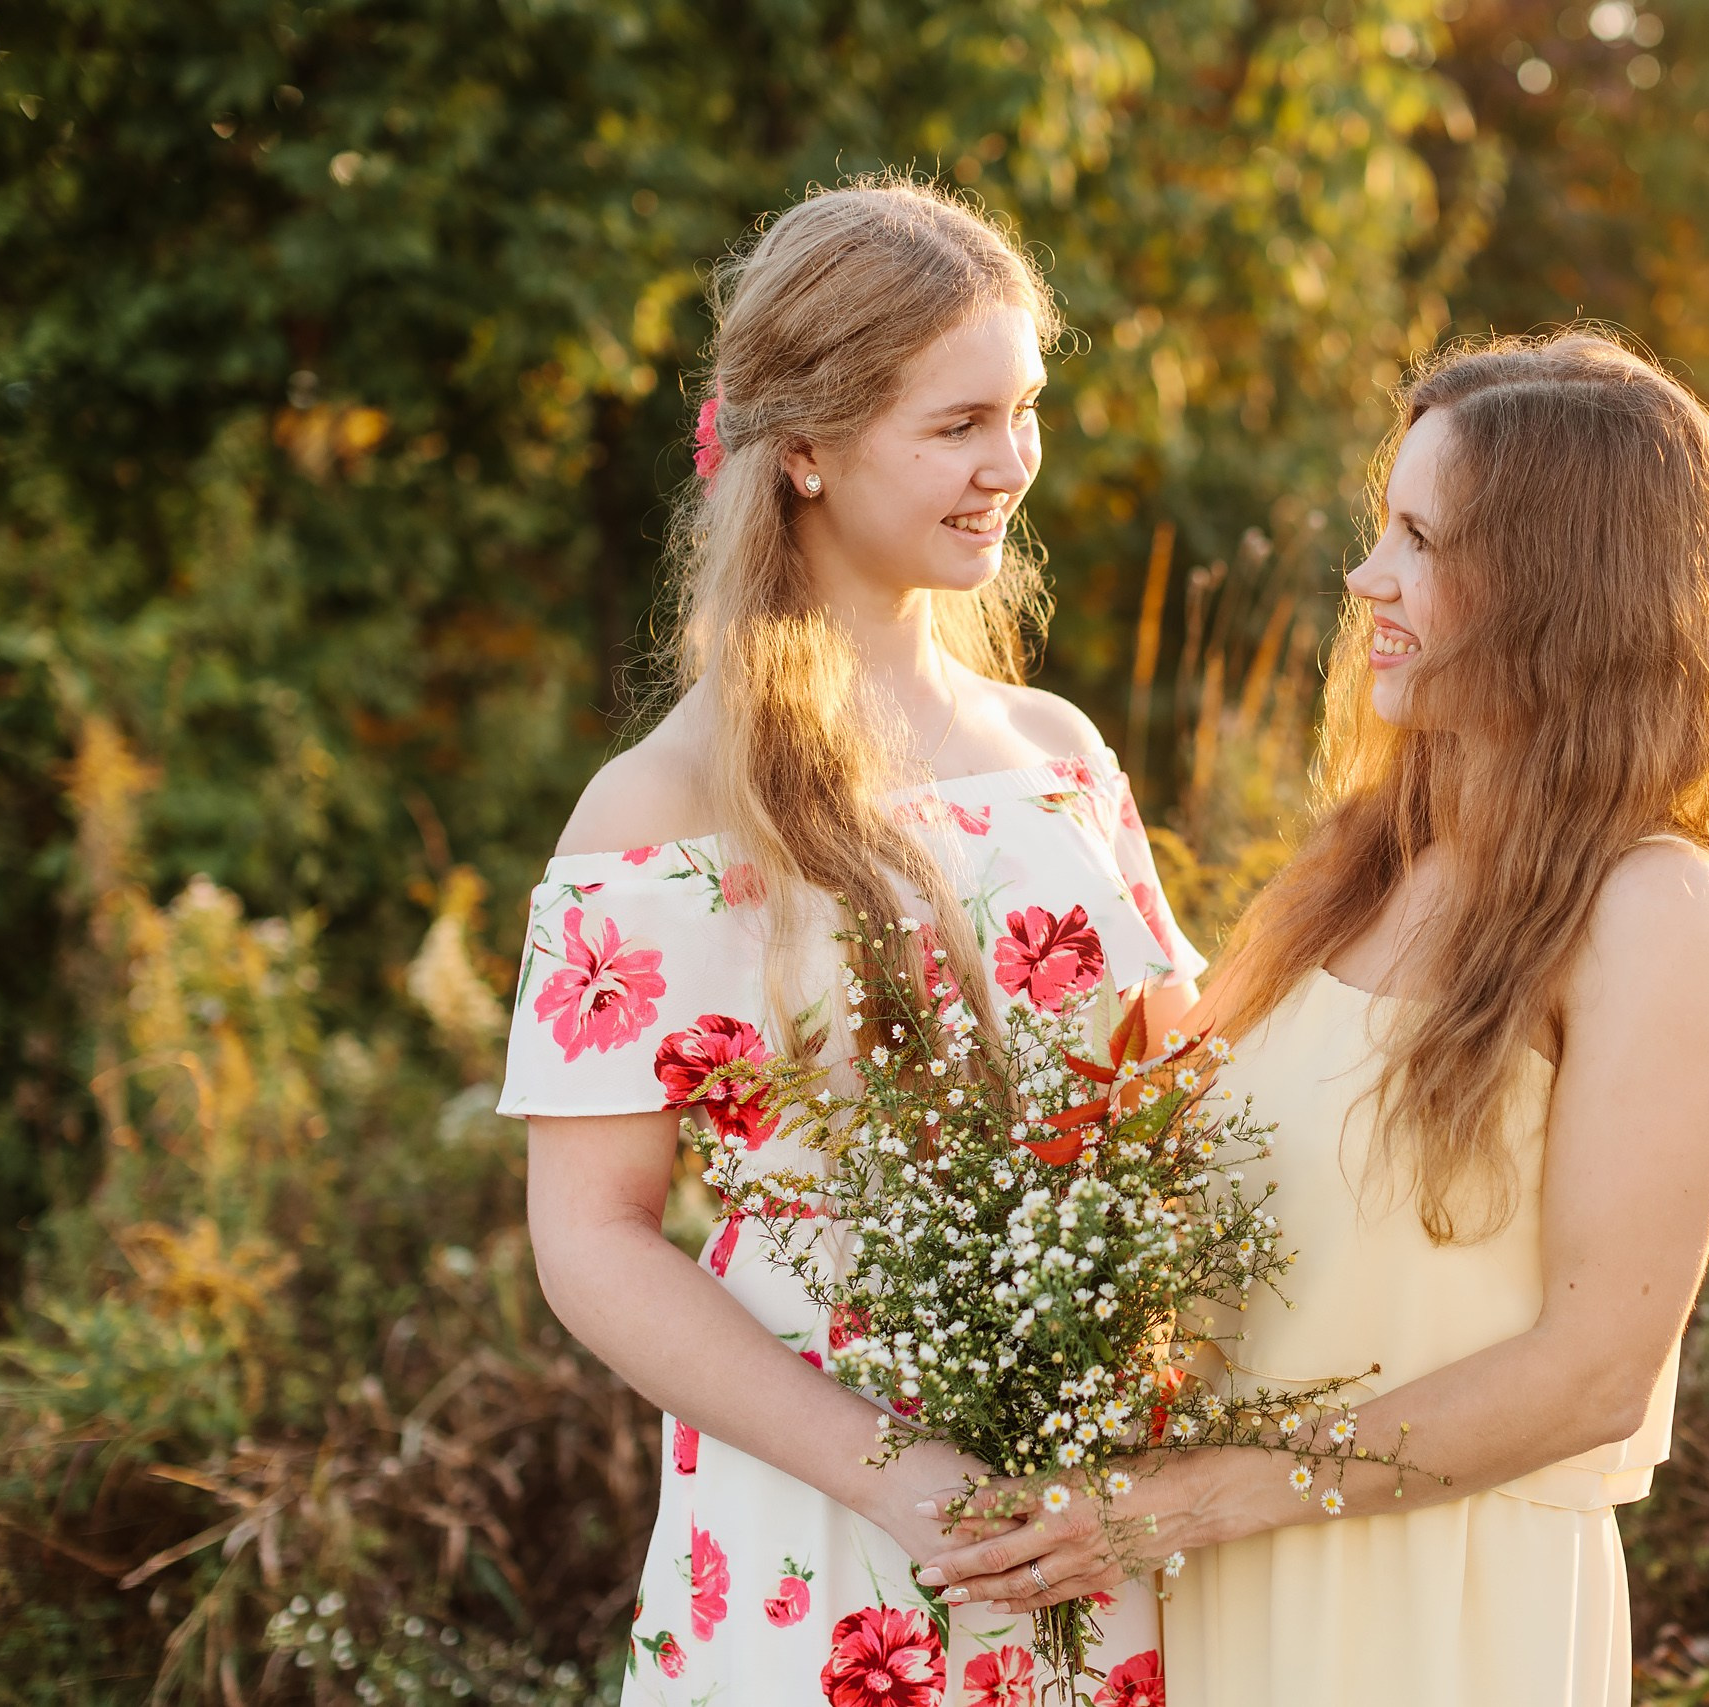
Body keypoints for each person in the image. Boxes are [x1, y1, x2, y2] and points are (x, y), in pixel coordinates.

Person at [917, 331, 1709, 1705]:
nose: (1366, 579)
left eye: (1419, 538)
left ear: (1561, 589)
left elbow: (1594, 1373)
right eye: (1380, 528)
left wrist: (1203, 1500)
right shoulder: (1367, 868)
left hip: (1434, 1620)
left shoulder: (1650, 906)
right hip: (1219, 1597)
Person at [503, 178, 1202, 1707]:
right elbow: (593, 1237)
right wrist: (896, 1474)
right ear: (803, 449)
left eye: (1023, 411)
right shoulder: (657, 810)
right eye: (957, 426)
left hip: (1098, 1522)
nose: (1012, 464)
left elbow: (1178, 1099)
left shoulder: (1060, 755)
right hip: (825, 1534)